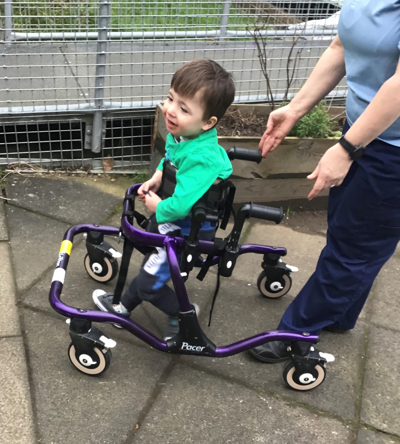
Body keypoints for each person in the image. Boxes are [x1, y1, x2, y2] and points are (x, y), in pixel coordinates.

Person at [250, 0, 400, 363]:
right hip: (365, 130)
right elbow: (341, 46)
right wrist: (296, 109)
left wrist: (347, 148)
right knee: (348, 234)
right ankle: (340, 313)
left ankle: (297, 331)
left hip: (393, 151)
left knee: (356, 248)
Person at [93, 59, 235, 339]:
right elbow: (171, 158)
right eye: (171, 98)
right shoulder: (184, 134)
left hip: (186, 228)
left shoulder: (200, 159)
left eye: (183, 108)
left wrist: (158, 206)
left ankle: (181, 313)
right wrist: (159, 174)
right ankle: (123, 306)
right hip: (174, 218)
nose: (170, 110)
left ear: (208, 122)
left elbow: (181, 206)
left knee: (149, 282)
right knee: (148, 249)